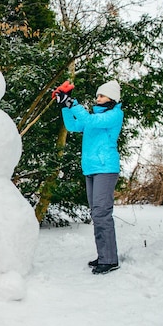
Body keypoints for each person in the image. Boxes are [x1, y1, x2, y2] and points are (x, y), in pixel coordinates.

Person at [53, 80, 123, 275]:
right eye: (98, 95)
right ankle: (104, 256)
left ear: (112, 98)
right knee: (96, 214)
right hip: (91, 169)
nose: (97, 98)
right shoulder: (94, 117)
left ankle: (109, 260)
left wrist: (73, 102)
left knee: (102, 213)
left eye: (101, 95)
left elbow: (90, 122)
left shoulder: (114, 115)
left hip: (106, 168)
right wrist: (65, 106)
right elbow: (73, 125)